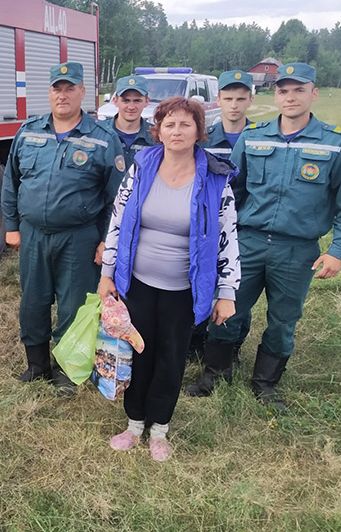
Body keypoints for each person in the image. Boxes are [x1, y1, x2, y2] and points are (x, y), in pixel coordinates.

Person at [187, 62, 341, 408]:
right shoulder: (254, 138)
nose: (290, 97)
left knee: (283, 319)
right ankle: (215, 374)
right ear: (274, 95)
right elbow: (231, 192)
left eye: (299, 89)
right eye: (283, 90)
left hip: (297, 250)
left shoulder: (336, 143)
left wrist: (338, 251)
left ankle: (265, 384)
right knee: (226, 310)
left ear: (314, 93)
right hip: (248, 243)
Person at [98, 97, 239, 461]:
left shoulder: (215, 178)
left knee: (171, 358)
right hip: (138, 284)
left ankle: (159, 430)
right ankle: (133, 425)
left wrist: (226, 291)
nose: (177, 131)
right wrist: (107, 273)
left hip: (183, 289)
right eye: (169, 124)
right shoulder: (141, 168)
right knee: (138, 352)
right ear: (158, 130)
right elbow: (117, 222)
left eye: (185, 124)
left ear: (198, 131)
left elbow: (227, 237)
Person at [2, 61, 125, 395]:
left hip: (79, 237)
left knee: (73, 304)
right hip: (33, 236)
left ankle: (68, 371)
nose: (63, 94)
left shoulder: (102, 139)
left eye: (71, 88)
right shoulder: (28, 132)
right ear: (49, 92)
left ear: (83, 91)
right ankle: (36, 365)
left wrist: (105, 242)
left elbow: (117, 198)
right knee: (33, 301)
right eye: (58, 88)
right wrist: (11, 226)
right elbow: (11, 182)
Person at [187, 69, 255, 361]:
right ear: (219, 99)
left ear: (251, 100)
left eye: (241, 98)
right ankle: (195, 341)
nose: (234, 105)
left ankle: (232, 343)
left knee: (237, 288)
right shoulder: (203, 138)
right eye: (228, 98)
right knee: (201, 281)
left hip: (244, 225)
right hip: (206, 224)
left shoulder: (258, 139)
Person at [101, 75, 154, 170]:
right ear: (115, 101)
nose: (131, 107)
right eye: (126, 100)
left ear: (147, 101)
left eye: (137, 101)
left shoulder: (156, 136)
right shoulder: (100, 133)